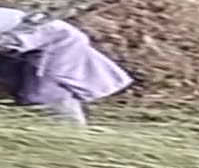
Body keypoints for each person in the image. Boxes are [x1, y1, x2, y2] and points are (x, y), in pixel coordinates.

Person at [0, 7, 133, 126]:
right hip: (21, 44)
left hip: (54, 41)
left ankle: (71, 137)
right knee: (18, 85)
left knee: (44, 96)